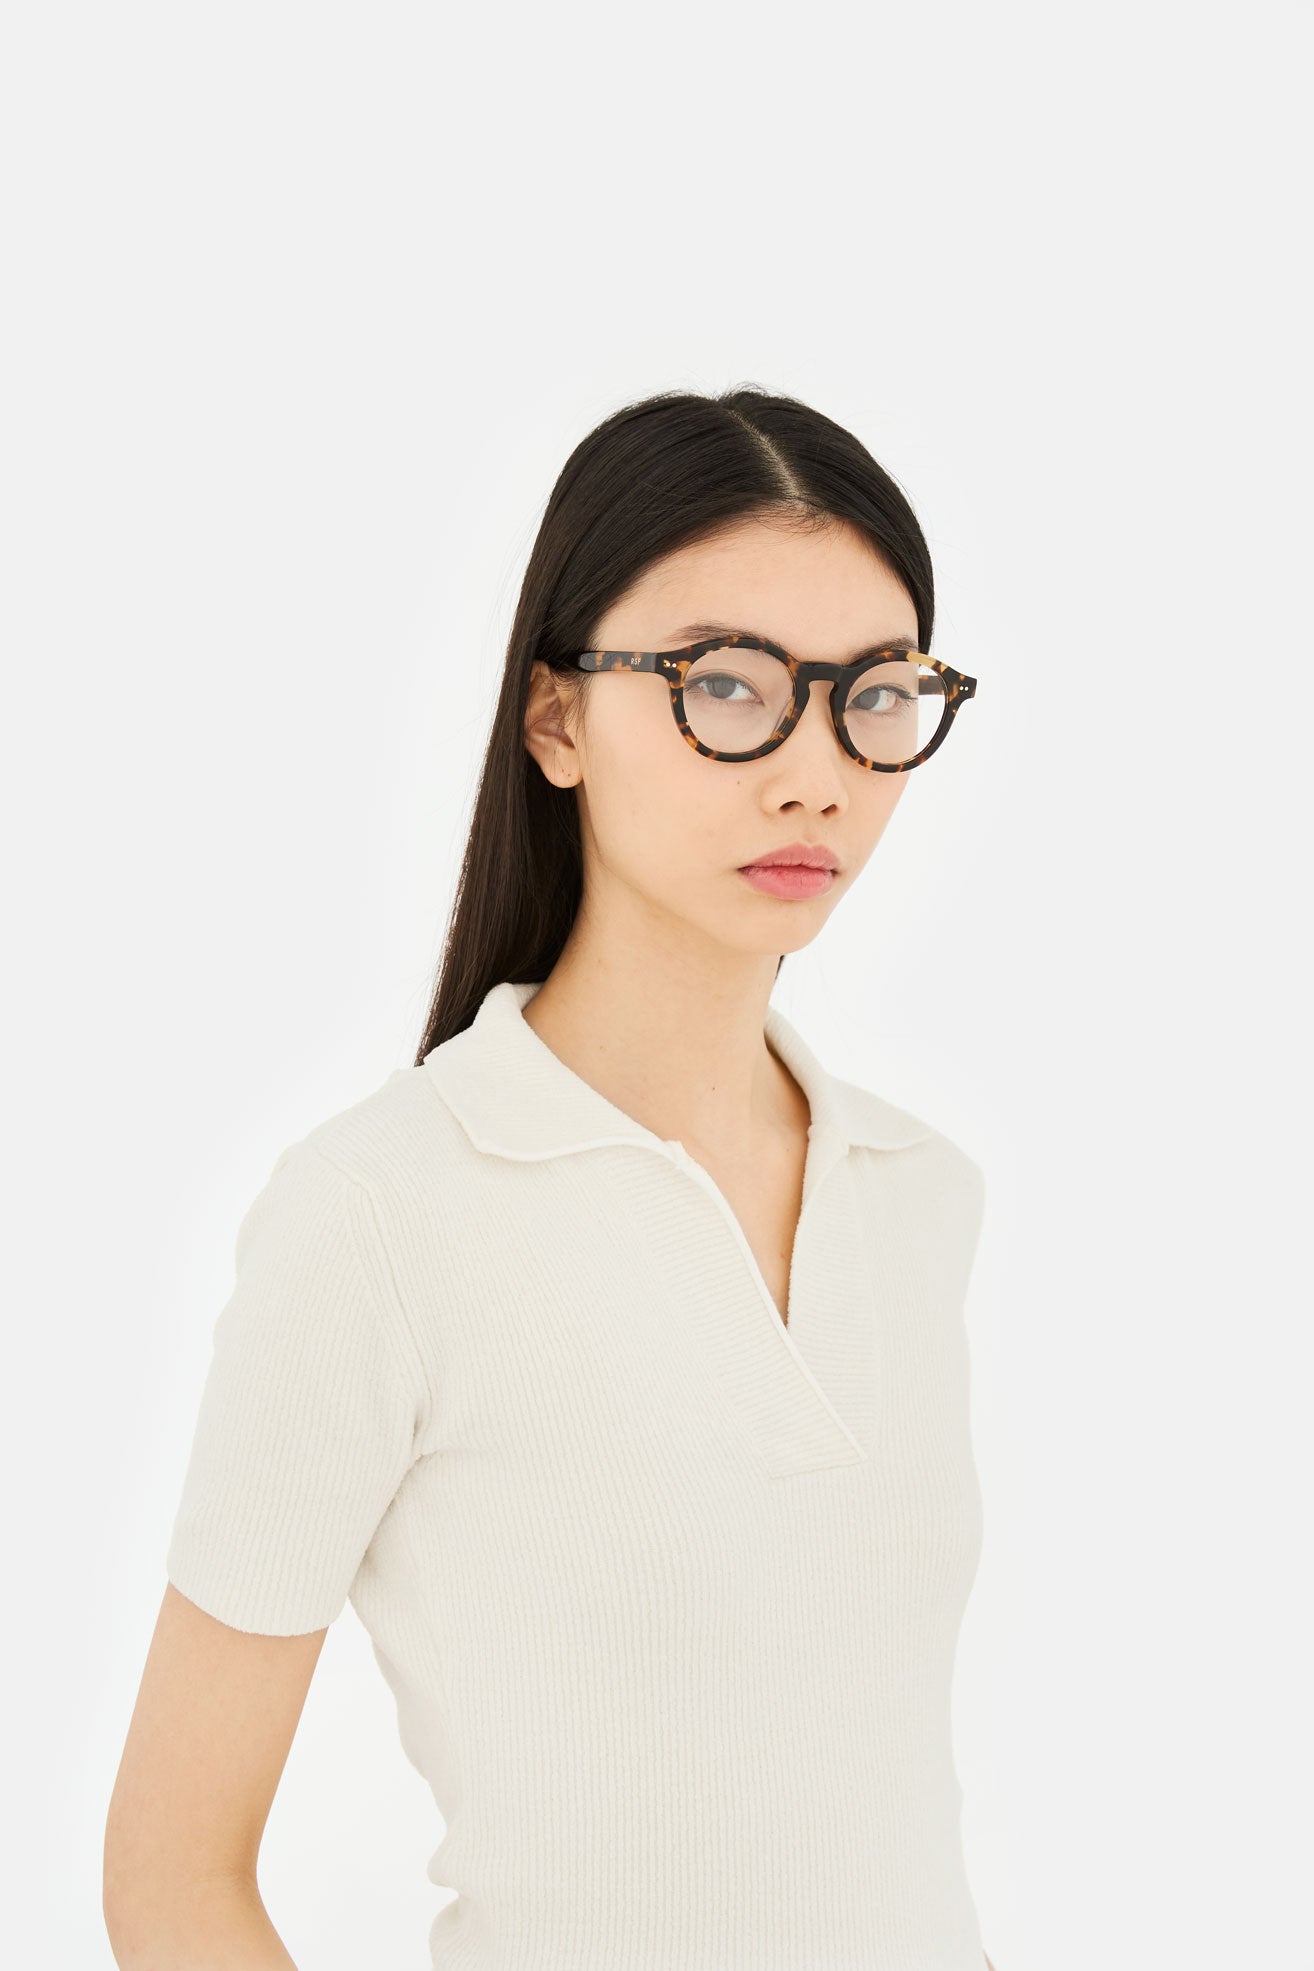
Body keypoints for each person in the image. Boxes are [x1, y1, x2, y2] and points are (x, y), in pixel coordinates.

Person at [104, 385, 998, 1971]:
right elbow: (172, 1879)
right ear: (556, 720)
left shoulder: (916, 1192)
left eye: (874, 694)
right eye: (727, 687)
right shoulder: (381, 1215)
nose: (815, 774)